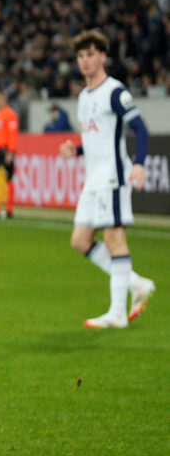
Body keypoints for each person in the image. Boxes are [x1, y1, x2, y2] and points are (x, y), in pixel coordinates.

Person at [58, 30, 156, 328]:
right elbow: (96, 140)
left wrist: (139, 164)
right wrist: (75, 150)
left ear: (103, 56)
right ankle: (136, 283)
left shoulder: (115, 92)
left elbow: (140, 129)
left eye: (91, 54)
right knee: (80, 240)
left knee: (115, 239)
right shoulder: (84, 97)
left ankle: (117, 313)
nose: (85, 61)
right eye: (81, 56)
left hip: (113, 177)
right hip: (93, 179)